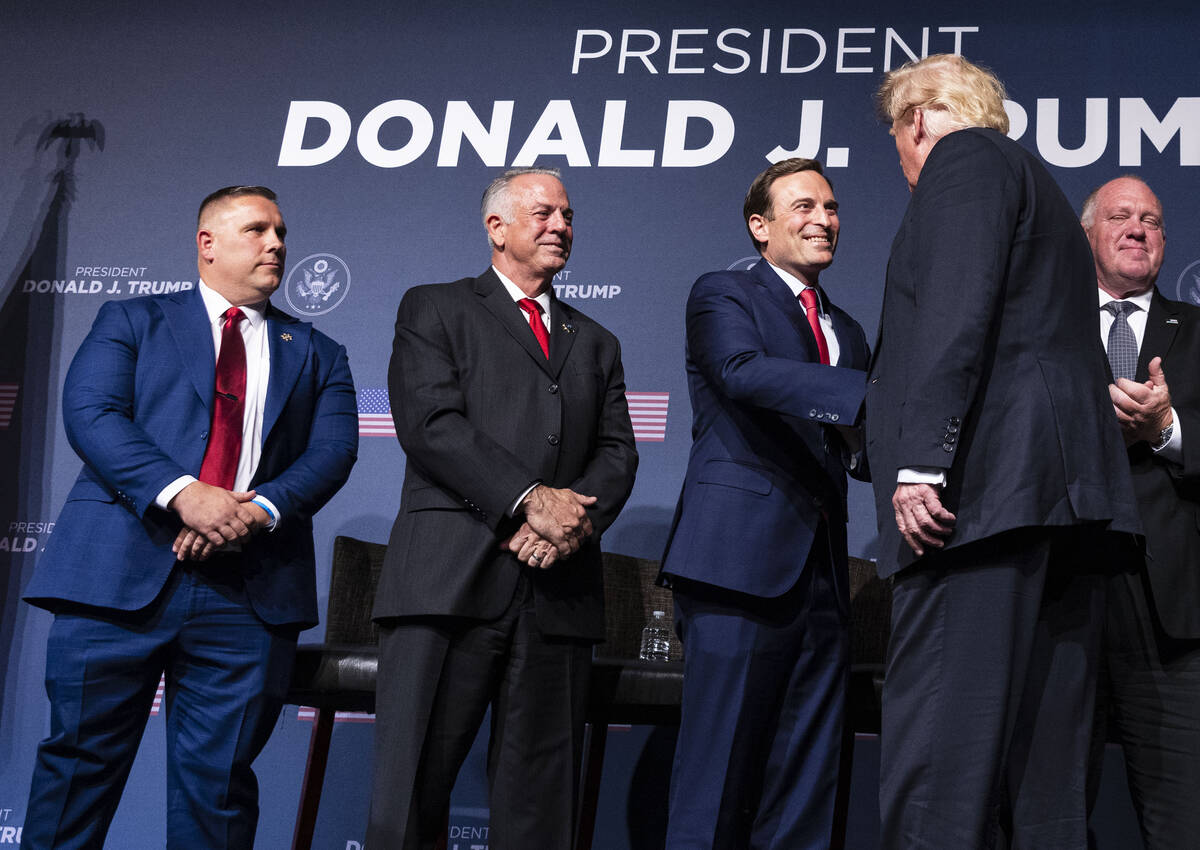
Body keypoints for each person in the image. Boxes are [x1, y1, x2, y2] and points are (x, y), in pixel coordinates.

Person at [22, 185, 358, 849]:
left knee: (220, 789)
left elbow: (334, 450)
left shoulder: (319, 350)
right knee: (76, 774)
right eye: (257, 230)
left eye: (282, 232)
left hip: (248, 595)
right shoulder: (131, 319)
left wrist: (257, 510)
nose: (276, 245)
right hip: (114, 583)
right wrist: (184, 494)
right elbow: (93, 414)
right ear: (207, 244)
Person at [866, 54, 1141, 849]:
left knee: (937, 767)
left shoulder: (966, 158)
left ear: (917, 120)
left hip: (978, 503)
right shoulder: (1040, 184)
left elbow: (957, 307)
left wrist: (922, 460)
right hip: (1056, 506)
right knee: (1045, 775)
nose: (905, 162)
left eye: (897, 140)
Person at [366, 166, 638, 849]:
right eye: (544, 213)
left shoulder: (596, 340)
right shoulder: (435, 307)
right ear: (496, 226)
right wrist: (527, 504)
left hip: (557, 594)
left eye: (568, 217)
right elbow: (432, 425)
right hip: (449, 584)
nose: (561, 227)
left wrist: (567, 529)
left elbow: (617, 454)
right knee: (411, 796)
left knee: (542, 808)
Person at [658, 158, 869, 849]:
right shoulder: (724, 293)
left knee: (805, 786)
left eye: (831, 208)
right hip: (736, 565)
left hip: (824, 580)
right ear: (761, 225)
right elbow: (741, 373)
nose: (823, 220)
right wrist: (875, 400)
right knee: (717, 778)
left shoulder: (850, 330)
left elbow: (860, 446)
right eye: (803, 206)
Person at [1082, 176, 1200, 849]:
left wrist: (1166, 427)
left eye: (1151, 220)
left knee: (1182, 820)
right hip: (1060, 598)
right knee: (1046, 812)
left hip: (1173, 611)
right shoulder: (1044, 328)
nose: (1137, 229)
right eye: (1121, 216)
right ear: (1088, 235)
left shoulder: (1199, 329)